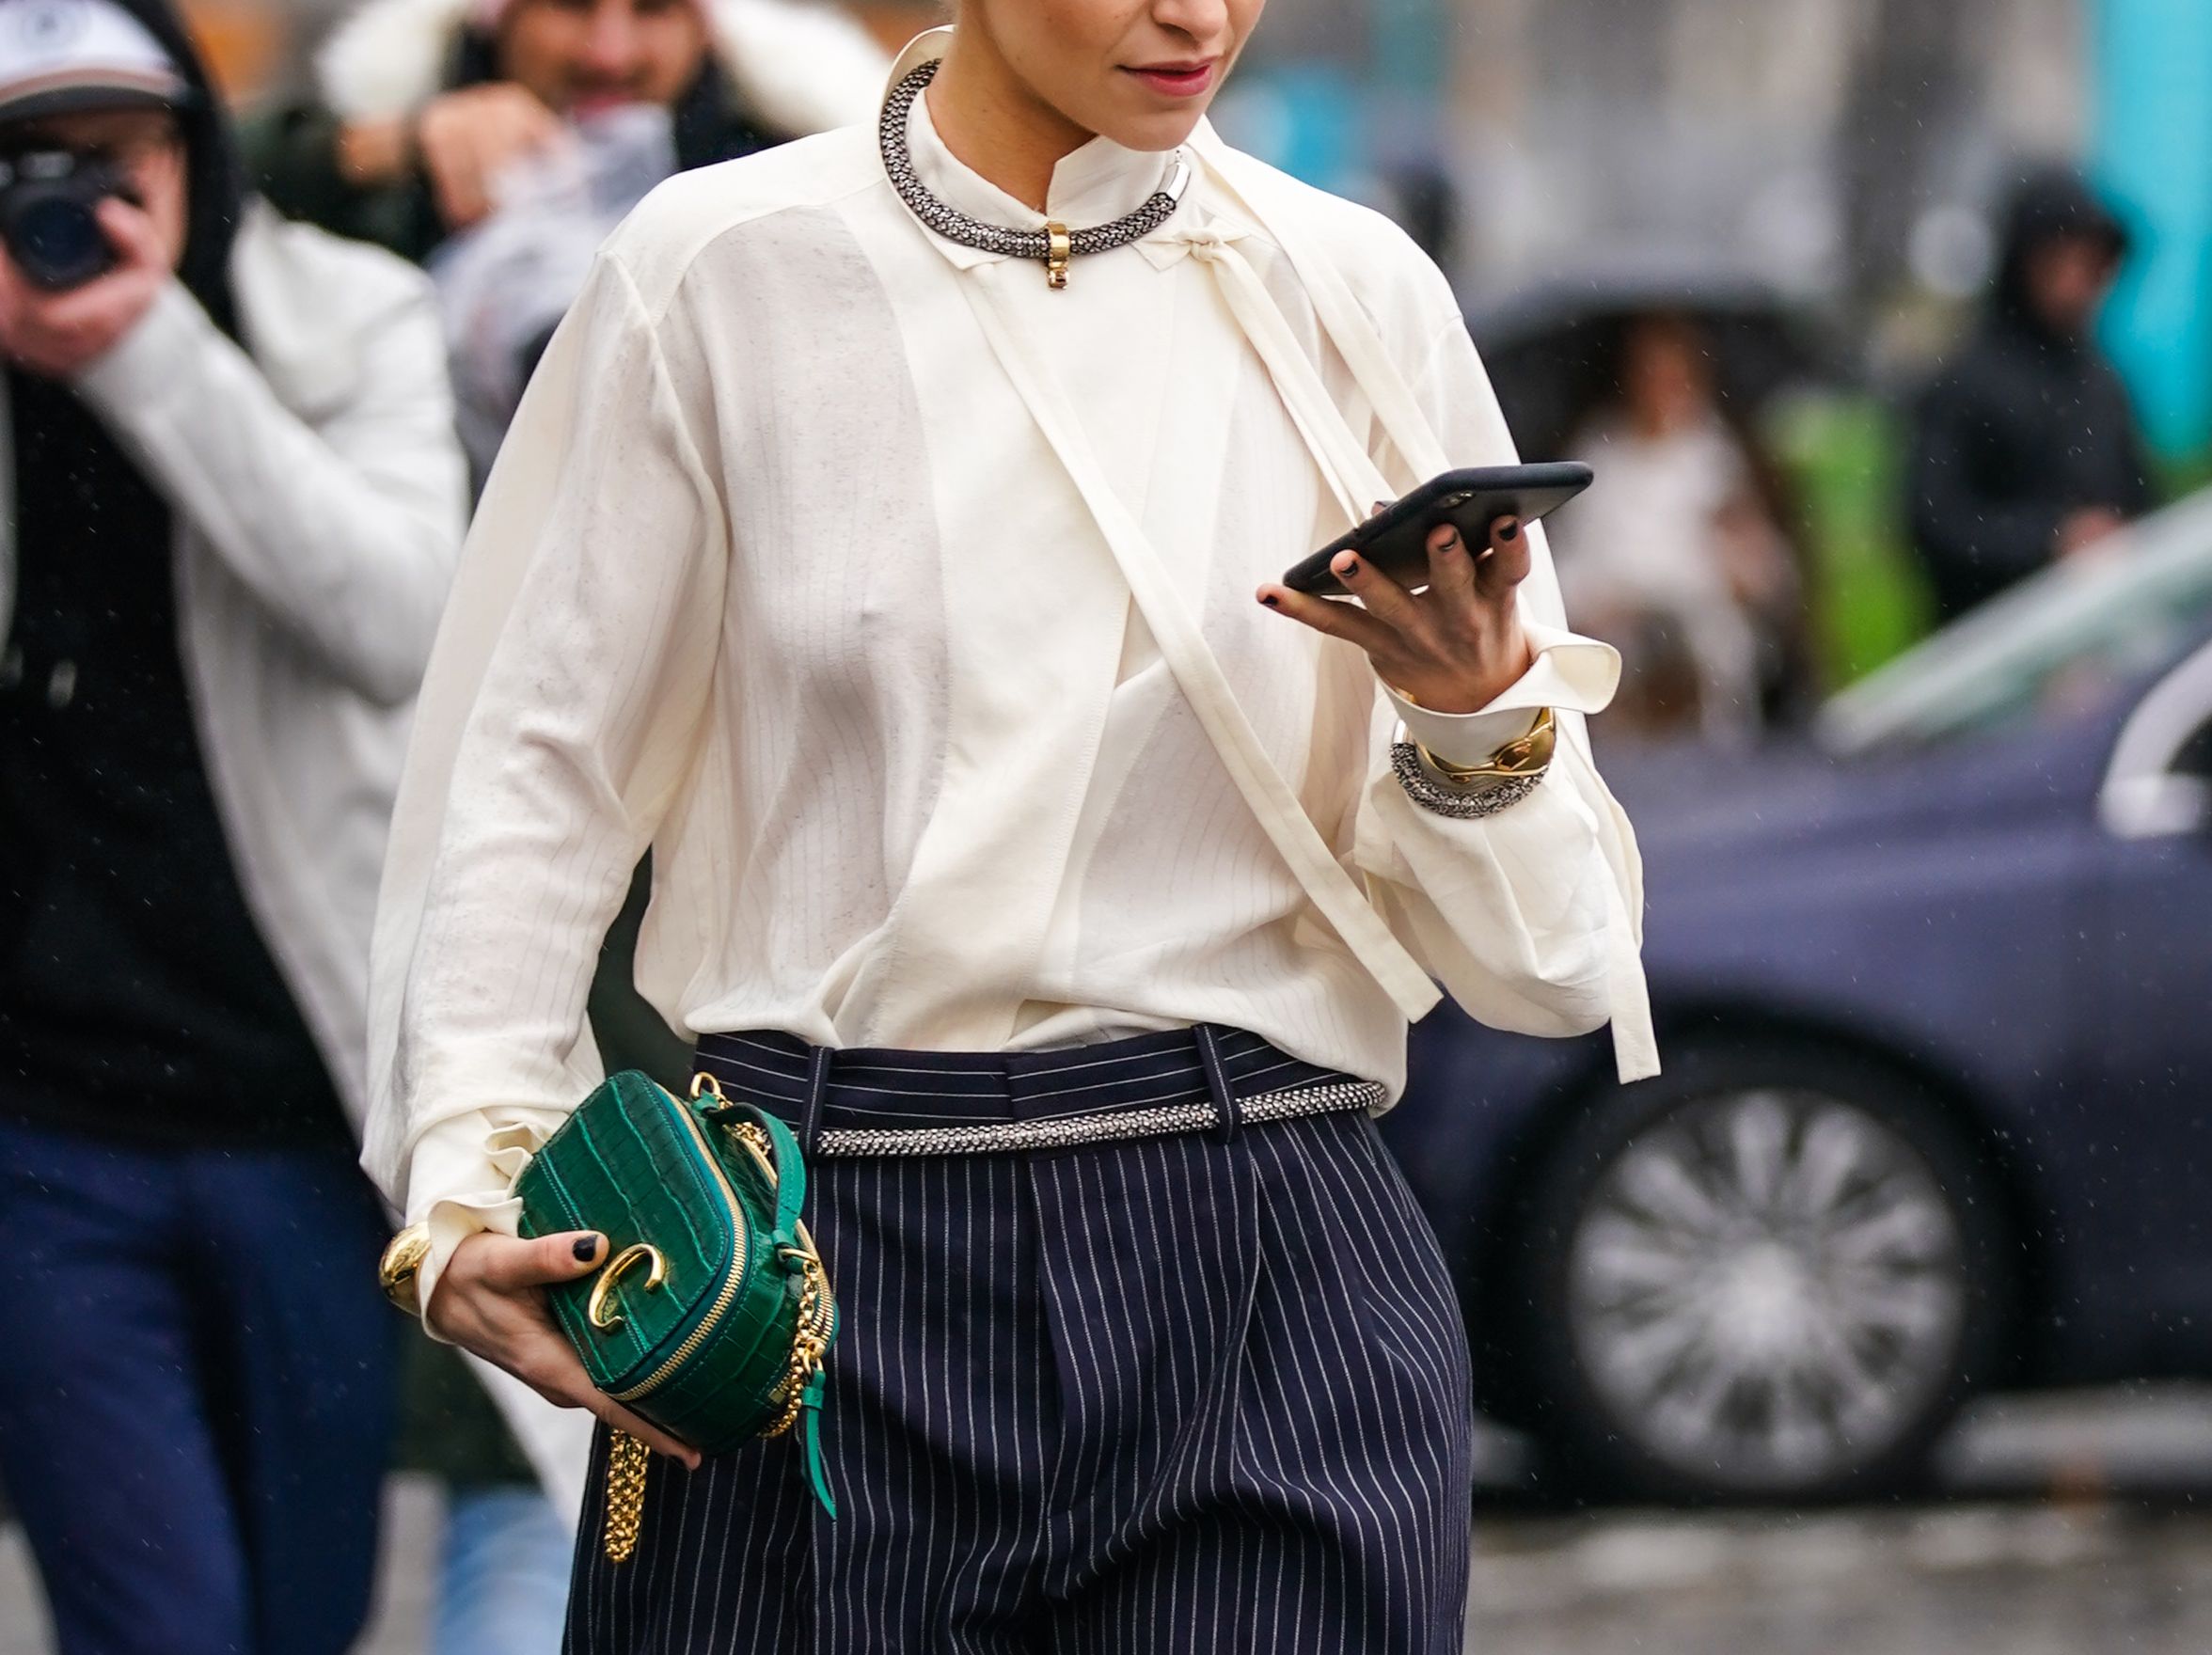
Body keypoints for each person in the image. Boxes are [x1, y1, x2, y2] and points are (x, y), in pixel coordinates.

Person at [362, 3, 1660, 1651]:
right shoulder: (722, 266)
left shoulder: (1353, 292)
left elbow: (1554, 970)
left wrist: (1474, 724)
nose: (1195, 14)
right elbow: (539, 774)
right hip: (814, 1266)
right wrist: (470, 1172)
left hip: (1265, 1249)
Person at [0, 0, 476, 1649]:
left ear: (191, 139)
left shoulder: (351, 315)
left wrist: (151, 358)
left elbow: (401, 618)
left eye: (110, 149)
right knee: (160, 1626)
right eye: (18, 161)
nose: (70, 195)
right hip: (44, 1144)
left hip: (300, 1115)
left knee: (303, 1616)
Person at [247, 0, 885, 265]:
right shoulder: (374, 183)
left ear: (708, 30)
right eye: (573, 3)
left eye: (653, 8)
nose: (609, 54)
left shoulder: (808, 191)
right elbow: (206, 178)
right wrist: (380, 151)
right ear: (497, 19)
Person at [1905, 166, 2152, 624]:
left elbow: (2143, 502)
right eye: (2060, 262)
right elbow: (1934, 522)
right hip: (1993, 642)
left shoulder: (2102, 383)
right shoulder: (1965, 383)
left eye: (2090, 266)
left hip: (2095, 638)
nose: (2075, 284)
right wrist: (2049, 539)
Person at [1557, 311, 1808, 740]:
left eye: (1676, 372)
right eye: (1650, 371)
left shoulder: (1725, 459)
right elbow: (1564, 566)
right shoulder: (1599, 458)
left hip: (1707, 675)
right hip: (1624, 670)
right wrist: (1603, 601)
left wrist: (1741, 565)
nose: (1663, 385)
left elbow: (1772, 578)